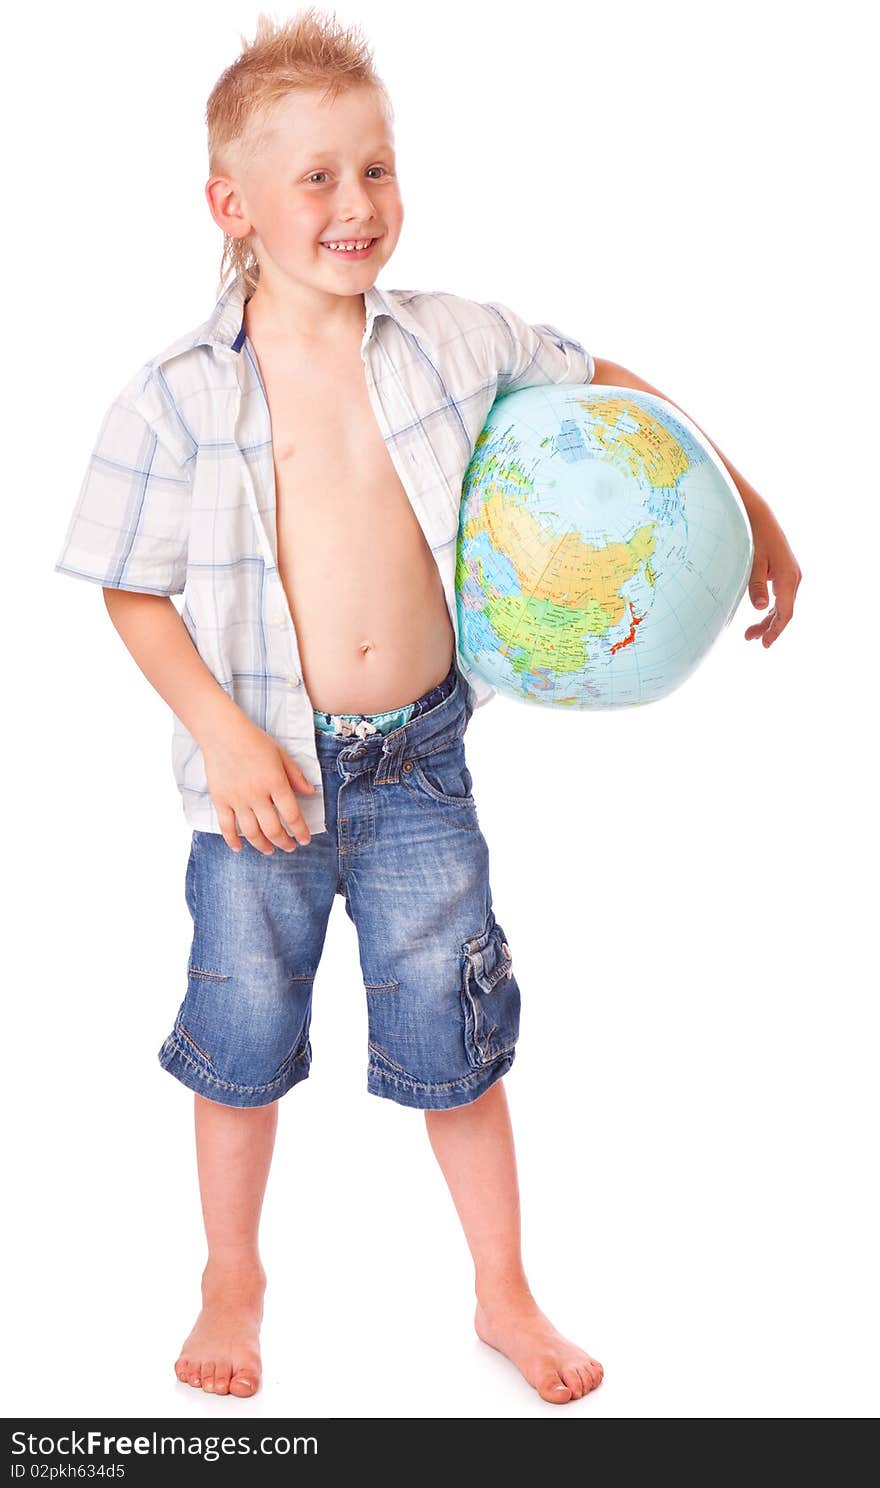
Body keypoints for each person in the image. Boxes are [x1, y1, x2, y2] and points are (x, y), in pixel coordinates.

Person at [53, 9, 801, 1405]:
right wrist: (222, 733)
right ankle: (232, 1273)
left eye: (378, 170)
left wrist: (744, 505)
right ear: (233, 205)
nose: (357, 205)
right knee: (238, 1040)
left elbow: (601, 379)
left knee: (455, 1043)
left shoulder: (449, 340)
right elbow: (126, 587)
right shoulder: (168, 399)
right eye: (319, 178)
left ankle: (504, 1295)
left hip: (418, 776)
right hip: (258, 788)